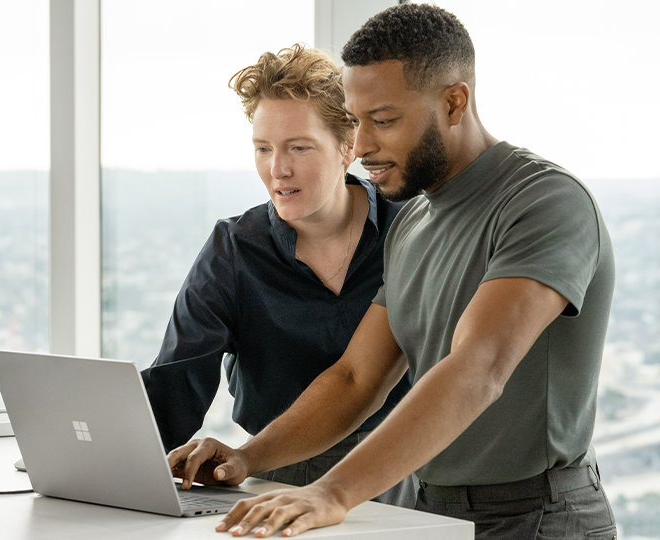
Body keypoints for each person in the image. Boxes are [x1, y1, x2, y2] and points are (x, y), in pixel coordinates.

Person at [169, 4, 617, 539]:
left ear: (454, 102)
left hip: (540, 517)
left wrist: (331, 491)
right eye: (356, 123)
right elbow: (357, 379)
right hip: (430, 513)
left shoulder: (543, 201)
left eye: (383, 121)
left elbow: (478, 367)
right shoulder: (413, 224)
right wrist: (247, 458)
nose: (362, 146)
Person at [141, 43, 416, 507]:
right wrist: (109, 458)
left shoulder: (410, 229)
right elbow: (176, 384)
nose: (277, 169)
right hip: (275, 474)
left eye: (299, 148)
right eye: (263, 148)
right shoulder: (233, 249)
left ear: (347, 146)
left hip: (402, 470)